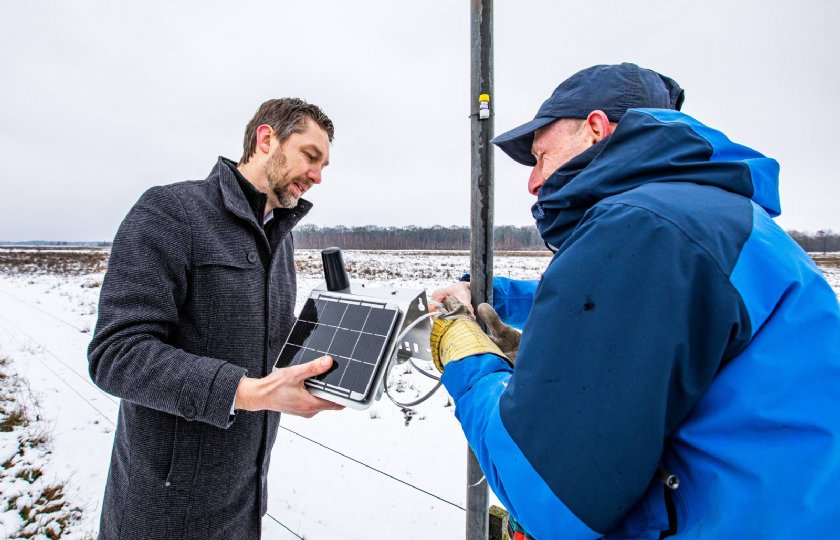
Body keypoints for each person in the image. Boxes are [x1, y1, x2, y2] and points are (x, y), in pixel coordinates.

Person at [430, 63, 840, 538]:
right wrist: (503, 301)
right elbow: (622, 306)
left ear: (595, 129)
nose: (533, 182)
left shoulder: (641, 226)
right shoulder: (718, 218)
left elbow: (546, 495)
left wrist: (466, 356)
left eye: (541, 156)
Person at [88, 98, 343, 540]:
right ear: (267, 140)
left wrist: (353, 343)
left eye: (324, 165)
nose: (318, 176)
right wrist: (249, 392)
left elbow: (269, 345)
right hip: (163, 512)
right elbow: (117, 354)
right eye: (310, 156)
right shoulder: (170, 212)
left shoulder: (279, 241)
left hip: (243, 505)